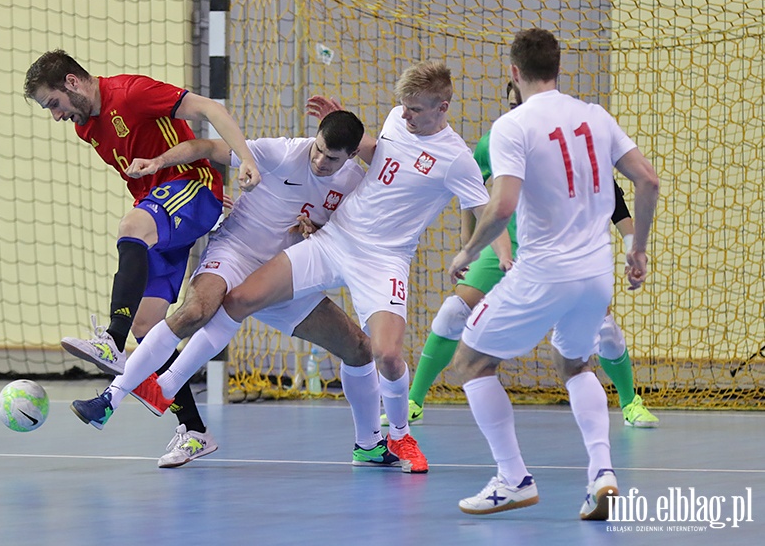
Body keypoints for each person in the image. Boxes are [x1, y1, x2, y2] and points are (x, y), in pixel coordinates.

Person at [207, 61, 511, 474]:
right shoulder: (396, 119)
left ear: (443, 106)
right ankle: (162, 387)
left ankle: (400, 434)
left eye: (416, 110)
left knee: (386, 354)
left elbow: (487, 209)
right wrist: (349, 133)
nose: (404, 114)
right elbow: (379, 154)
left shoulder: (456, 160)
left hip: (384, 260)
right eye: (402, 106)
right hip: (337, 238)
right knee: (241, 296)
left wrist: (498, 255)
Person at [71, 111, 408, 470]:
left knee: (358, 348)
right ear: (315, 138)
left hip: (282, 276)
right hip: (234, 252)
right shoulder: (283, 152)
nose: (321, 162)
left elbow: (339, 228)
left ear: (352, 156)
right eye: (319, 150)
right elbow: (204, 146)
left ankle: (369, 445)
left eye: (332, 158)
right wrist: (158, 161)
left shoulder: (354, 184)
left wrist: (316, 230)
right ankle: (112, 397)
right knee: (198, 310)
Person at [449, 28, 659, 519]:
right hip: (596, 275)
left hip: (544, 273)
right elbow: (647, 179)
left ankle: (514, 478)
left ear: (514, 72)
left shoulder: (512, 126)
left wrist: (468, 250)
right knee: (576, 365)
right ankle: (602, 474)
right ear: (558, 68)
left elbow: (501, 206)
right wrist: (639, 249)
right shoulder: (595, 116)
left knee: (471, 364)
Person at [23, 50, 261, 460]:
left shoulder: (131, 93)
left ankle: (111, 342)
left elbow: (208, 108)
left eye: (54, 104)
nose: (56, 116)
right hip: (166, 208)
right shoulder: (86, 129)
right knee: (149, 325)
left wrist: (247, 160)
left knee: (131, 226)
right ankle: (194, 430)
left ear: (73, 83)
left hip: (192, 186)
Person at [395, 82, 659, 428]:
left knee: (605, 331)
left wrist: (631, 245)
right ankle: (412, 402)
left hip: (554, 251)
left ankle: (630, 402)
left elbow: (615, 193)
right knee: (451, 314)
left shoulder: (571, 139)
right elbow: (473, 194)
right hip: (504, 243)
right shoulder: (497, 139)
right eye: (511, 102)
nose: (517, 106)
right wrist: (469, 246)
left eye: (520, 100)